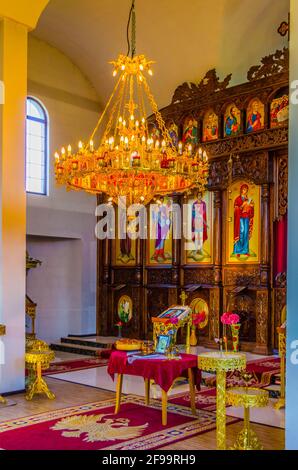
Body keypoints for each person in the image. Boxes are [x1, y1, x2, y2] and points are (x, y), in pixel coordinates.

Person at [233, 184, 254, 257]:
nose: (245, 191)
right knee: (241, 232)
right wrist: (242, 205)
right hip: (240, 218)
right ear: (241, 190)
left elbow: (251, 210)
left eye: (246, 190)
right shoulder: (237, 199)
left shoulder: (248, 199)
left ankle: (245, 250)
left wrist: (251, 206)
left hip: (247, 217)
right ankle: (238, 250)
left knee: (246, 232)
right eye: (244, 189)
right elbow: (236, 209)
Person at [152, 197, 172, 262]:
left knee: (162, 240)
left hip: (164, 225)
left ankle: (161, 253)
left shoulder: (164, 207)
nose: (161, 201)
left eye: (162, 200)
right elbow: (154, 217)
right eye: (160, 200)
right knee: (158, 239)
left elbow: (167, 216)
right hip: (158, 225)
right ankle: (156, 253)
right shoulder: (156, 208)